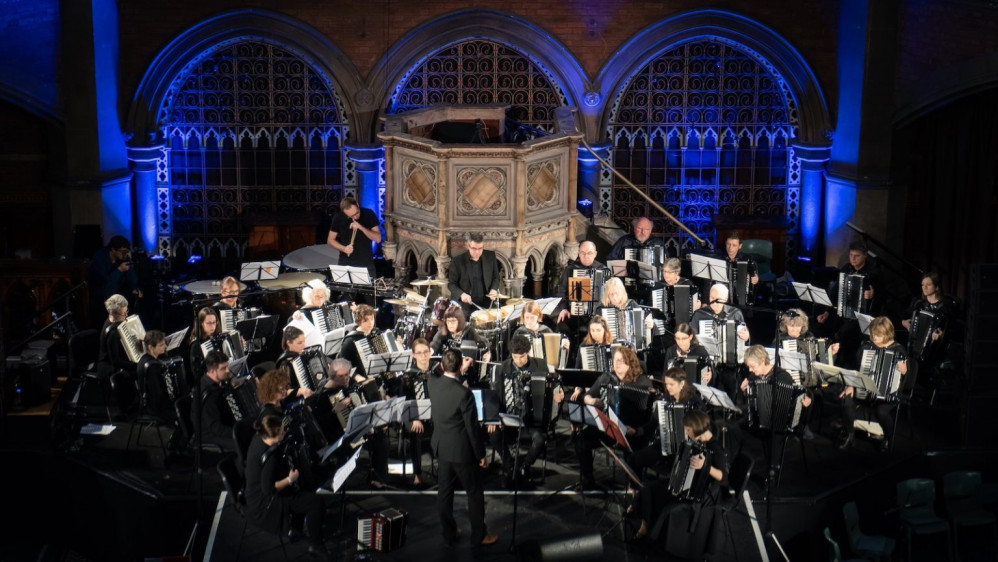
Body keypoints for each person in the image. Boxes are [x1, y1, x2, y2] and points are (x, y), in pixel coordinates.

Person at [429, 349, 499, 547]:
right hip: (462, 452)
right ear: (460, 367)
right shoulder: (464, 394)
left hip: (442, 448)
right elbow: (472, 428)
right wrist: (481, 455)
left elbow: (435, 371)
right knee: (474, 493)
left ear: (442, 365)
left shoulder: (433, 384)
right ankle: (479, 536)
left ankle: (449, 532)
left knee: (444, 493)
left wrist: (454, 365)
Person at [633, 410, 731, 544]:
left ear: (695, 428)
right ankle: (645, 526)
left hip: (703, 493)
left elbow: (723, 477)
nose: (686, 433)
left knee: (657, 493)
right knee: (649, 488)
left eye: (688, 430)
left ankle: (652, 535)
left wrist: (705, 466)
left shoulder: (716, 448)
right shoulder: (699, 441)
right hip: (689, 484)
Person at [243, 414, 330, 558]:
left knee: (303, 493)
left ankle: (296, 528)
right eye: (282, 432)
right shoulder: (269, 457)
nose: (284, 433)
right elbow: (269, 489)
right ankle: (316, 545)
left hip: (253, 493)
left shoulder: (258, 439)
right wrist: (290, 479)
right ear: (273, 435)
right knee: (315, 502)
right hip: (265, 503)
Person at [489, 335, 565, 487]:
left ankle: (524, 466)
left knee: (540, 439)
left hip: (533, 418)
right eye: (515, 357)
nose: (518, 361)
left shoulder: (541, 366)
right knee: (494, 435)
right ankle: (511, 466)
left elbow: (556, 383)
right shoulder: (501, 368)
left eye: (522, 357)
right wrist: (493, 418)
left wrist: (559, 392)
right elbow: (494, 395)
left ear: (528, 353)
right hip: (509, 416)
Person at [574, 346, 654, 489]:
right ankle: (587, 479)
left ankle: (635, 487)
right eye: (615, 360)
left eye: (621, 361)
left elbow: (646, 415)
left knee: (634, 451)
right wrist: (591, 401)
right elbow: (588, 395)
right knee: (581, 441)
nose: (616, 364)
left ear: (630, 363)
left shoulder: (642, 382)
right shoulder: (607, 377)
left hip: (630, 430)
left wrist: (635, 430)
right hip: (608, 426)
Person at [834, 316, 908, 452]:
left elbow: (904, 377)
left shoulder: (898, 350)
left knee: (881, 411)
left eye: (878, 335)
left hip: (888, 393)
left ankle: (888, 438)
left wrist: (904, 371)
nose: (874, 337)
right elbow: (856, 370)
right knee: (846, 400)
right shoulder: (866, 347)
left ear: (887, 334)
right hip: (865, 390)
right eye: (873, 333)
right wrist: (851, 385)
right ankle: (850, 435)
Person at [629, 366, 708, 480]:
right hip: (665, 444)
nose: (668, 387)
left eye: (671, 384)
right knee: (635, 458)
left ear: (681, 384)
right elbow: (653, 424)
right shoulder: (664, 401)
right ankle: (638, 489)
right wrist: (636, 431)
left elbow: (702, 428)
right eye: (666, 384)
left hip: (688, 448)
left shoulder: (695, 403)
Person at [690, 284, 750, 397]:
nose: (714, 302)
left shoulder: (735, 313)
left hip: (730, 363)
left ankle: (730, 411)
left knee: (731, 383)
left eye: (718, 300)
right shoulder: (699, 314)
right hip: (707, 362)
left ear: (726, 299)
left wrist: (747, 337)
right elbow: (692, 340)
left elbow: (743, 342)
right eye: (712, 298)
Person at [135, 330, 187, 453]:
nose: (165, 347)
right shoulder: (153, 367)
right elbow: (157, 395)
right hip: (153, 408)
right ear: (150, 347)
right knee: (184, 413)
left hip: (148, 403)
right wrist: (173, 400)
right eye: (161, 345)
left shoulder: (143, 360)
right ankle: (175, 446)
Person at [400, 338, 436, 487]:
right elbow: (405, 401)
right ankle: (418, 473)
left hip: (434, 414)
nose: (423, 356)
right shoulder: (408, 375)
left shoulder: (437, 370)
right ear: (414, 355)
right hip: (414, 415)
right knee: (416, 432)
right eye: (419, 353)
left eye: (425, 352)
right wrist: (415, 418)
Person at [88, 235, 141, 328]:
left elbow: (132, 278)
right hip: (101, 298)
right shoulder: (99, 259)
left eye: (127, 252)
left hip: (118, 296)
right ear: (113, 250)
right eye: (122, 252)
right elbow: (104, 283)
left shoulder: (124, 258)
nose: (125, 255)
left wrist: (134, 288)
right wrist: (119, 270)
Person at [447, 232, 501, 319]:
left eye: (480, 248)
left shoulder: (490, 256)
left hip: (487, 301)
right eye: (474, 248)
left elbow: (496, 277)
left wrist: (494, 289)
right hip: (467, 304)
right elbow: (451, 284)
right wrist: (462, 294)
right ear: (468, 246)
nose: (477, 252)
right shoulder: (457, 261)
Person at [191, 350, 236, 452]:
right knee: (243, 444)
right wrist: (238, 431)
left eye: (227, 366)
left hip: (220, 428)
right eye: (223, 368)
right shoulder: (208, 394)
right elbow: (215, 427)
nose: (228, 370)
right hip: (209, 435)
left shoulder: (217, 384)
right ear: (212, 371)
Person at [327, 196, 382, 276]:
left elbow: (378, 238)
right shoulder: (338, 217)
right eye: (351, 216)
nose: (355, 217)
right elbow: (330, 240)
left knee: (368, 288)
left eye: (356, 213)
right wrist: (344, 249)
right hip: (345, 264)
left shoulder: (369, 214)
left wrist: (361, 227)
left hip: (366, 264)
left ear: (357, 204)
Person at [97, 294, 137, 381]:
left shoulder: (113, 321)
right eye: (124, 313)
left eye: (127, 311)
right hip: (108, 367)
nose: (126, 315)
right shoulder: (113, 333)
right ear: (114, 314)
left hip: (116, 362)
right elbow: (116, 361)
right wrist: (137, 364)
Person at [717, 232, 759, 307]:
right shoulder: (719, 258)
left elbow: (755, 276)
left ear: (740, 246)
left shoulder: (747, 259)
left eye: (734, 245)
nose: (730, 248)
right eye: (728, 244)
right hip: (722, 298)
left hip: (741, 300)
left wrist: (756, 278)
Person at [274, 326, 315, 398]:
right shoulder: (285, 363)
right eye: (299, 343)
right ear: (289, 343)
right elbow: (284, 392)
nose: (304, 346)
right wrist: (301, 391)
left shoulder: (302, 355)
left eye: (304, 342)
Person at [188, 306, 222, 385]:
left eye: (214, 322)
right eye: (209, 323)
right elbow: (197, 374)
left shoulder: (218, 337)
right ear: (201, 324)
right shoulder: (196, 345)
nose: (213, 326)